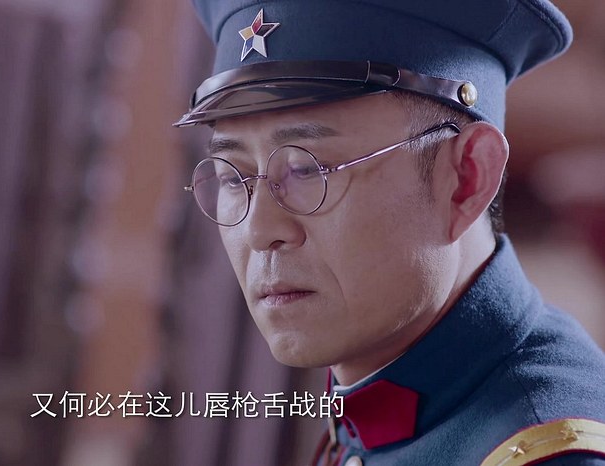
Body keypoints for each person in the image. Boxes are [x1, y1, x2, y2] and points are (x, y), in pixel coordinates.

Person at [173, 1, 605, 465]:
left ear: (467, 177)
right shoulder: (377, 392)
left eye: (308, 169)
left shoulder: (547, 452)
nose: (260, 231)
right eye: (233, 177)